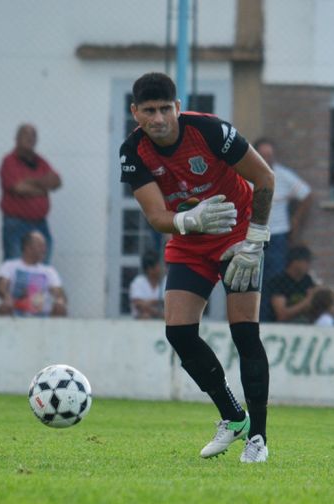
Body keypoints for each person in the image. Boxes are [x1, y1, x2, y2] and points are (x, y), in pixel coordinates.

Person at [119, 72, 274, 463]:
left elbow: (265, 178)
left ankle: (258, 438)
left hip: (238, 238)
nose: (158, 119)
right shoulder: (132, 150)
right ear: (135, 112)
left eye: (165, 109)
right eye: (149, 111)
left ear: (177, 106)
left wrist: (255, 241)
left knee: (245, 334)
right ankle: (232, 417)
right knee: (179, 334)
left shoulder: (209, 131)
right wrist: (190, 222)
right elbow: (157, 217)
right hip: (190, 244)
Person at [255, 137, 313, 322]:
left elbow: (306, 194)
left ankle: (270, 321)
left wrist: (295, 221)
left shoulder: (283, 175)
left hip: (277, 236)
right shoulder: (245, 173)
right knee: (253, 281)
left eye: (270, 155)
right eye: (263, 155)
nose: (267, 159)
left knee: (274, 280)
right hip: (253, 236)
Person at [0, 123, 62, 263]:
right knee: (15, 267)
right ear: (16, 138)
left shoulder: (41, 162)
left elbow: (57, 182)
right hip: (16, 224)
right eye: (25, 135)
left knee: (42, 267)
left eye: (33, 136)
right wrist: (43, 186)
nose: (30, 139)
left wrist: (31, 182)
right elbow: (18, 188)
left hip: (40, 224)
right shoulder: (9, 161)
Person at [0, 231, 67, 317]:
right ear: (27, 247)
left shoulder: (49, 271)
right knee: (4, 308)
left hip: (43, 314)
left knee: (60, 309)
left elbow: (58, 291)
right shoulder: (10, 266)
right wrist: (6, 297)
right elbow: (1, 287)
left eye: (44, 246)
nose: (44, 249)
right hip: (15, 312)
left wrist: (59, 300)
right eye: (40, 246)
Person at [267, 245, 317, 324]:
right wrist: (308, 300)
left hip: (305, 321)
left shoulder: (307, 280)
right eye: (306, 261)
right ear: (295, 262)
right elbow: (282, 315)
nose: (309, 265)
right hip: (282, 324)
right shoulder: (279, 281)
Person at [129, 250, 164, 319]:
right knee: (145, 316)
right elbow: (138, 305)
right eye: (159, 265)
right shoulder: (138, 282)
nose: (162, 267)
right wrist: (159, 312)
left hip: (162, 320)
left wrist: (148, 303)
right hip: (141, 320)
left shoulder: (166, 280)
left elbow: (168, 303)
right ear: (150, 269)